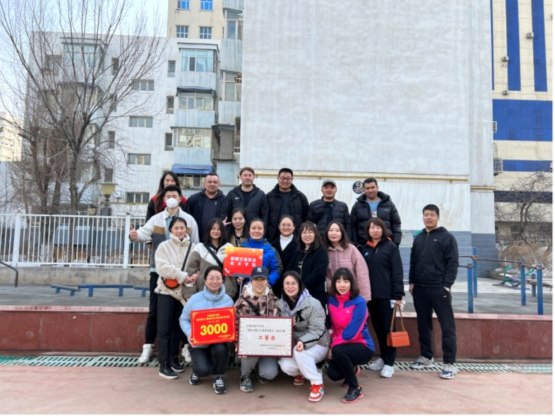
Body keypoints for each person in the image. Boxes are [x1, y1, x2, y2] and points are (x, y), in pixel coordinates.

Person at [131, 185, 199, 365]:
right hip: (162, 276)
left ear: (180, 198)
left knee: (183, 314)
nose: (171, 199)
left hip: (185, 278)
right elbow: (143, 233)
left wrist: (193, 274)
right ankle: (153, 350)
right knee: (158, 314)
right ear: (163, 198)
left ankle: (184, 349)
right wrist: (135, 235)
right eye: (168, 196)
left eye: (174, 195)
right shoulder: (156, 219)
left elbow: (196, 248)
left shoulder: (189, 220)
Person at [409, 204, 459, 379]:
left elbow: (453, 263)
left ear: (438, 217)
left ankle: (449, 363)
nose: (428, 218)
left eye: (432, 215)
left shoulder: (447, 238)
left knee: (447, 327)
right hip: (420, 288)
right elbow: (413, 261)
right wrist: (412, 282)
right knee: (423, 325)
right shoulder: (419, 238)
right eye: (426, 215)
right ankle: (426, 357)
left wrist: (447, 285)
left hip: (439, 289)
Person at [360, 218, 405, 378]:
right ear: (368, 230)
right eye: (372, 227)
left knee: (388, 329)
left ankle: (389, 363)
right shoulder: (364, 248)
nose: (375, 230)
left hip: (387, 296)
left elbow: (397, 271)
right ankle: (383, 357)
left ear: (383, 229)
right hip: (371, 296)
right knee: (378, 329)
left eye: (378, 227)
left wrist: (398, 295)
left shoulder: (390, 247)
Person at [277, 271, 330, 403]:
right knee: (285, 365)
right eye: (287, 283)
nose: (290, 286)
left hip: (319, 343)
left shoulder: (313, 303)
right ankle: (302, 373)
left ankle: (317, 384)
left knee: (299, 352)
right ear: (282, 286)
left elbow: (317, 330)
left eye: (293, 283)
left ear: (300, 285)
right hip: (297, 344)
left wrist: (303, 341)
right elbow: (278, 329)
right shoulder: (280, 305)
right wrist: (288, 326)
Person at [180, 266, 234, 394]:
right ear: (205, 280)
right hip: (199, 343)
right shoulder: (195, 299)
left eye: (218, 278)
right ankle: (197, 371)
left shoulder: (228, 301)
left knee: (221, 349)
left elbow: (232, 323)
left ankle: (219, 377)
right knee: (203, 370)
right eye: (211, 278)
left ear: (223, 280)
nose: (215, 281)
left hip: (218, 342)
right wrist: (190, 333)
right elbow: (183, 319)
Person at [154, 217, 196, 380]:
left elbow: (197, 266)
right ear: (170, 229)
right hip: (166, 291)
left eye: (182, 228)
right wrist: (182, 276)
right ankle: (164, 365)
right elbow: (161, 267)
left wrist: (195, 276)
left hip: (184, 294)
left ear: (186, 229)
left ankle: (173, 359)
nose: (179, 231)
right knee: (164, 328)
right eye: (176, 228)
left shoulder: (193, 247)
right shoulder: (163, 246)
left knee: (178, 328)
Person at [327, 268, 375, 404]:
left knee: (337, 351)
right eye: (338, 281)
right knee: (333, 374)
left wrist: (333, 347)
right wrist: (333, 340)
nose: (342, 285)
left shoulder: (359, 302)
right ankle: (353, 368)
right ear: (334, 283)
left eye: (346, 281)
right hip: (342, 345)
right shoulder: (331, 301)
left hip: (362, 346)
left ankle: (355, 388)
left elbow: (351, 333)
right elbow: (333, 327)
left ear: (351, 283)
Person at [234, 266, 280, 393]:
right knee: (250, 349)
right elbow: (235, 326)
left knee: (269, 373)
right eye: (256, 279)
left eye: (262, 279)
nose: (259, 283)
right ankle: (244, 375)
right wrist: (238, 343)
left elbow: (280, 326)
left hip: (267, 346)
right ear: (251, 281)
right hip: (249, 347)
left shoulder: (275, 301)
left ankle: (257, 369)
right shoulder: (241, 302)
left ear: (267, 281)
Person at [186, 218, 235, 298]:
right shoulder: (199, 247)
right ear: (208, 230)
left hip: (226, 292)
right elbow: (190, 271)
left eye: (219, 229)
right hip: (203, 291)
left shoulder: (230, 248)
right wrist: (189, 294)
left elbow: (234, 271)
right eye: (213, 228)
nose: (216, 231)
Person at [324, 220, 371, 302]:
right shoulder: (323, 251)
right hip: (332, 298)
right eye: (331, 230)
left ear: (342, 233)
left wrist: (365, 297)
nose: (334, 233)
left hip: (352, 297)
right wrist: (332, 287)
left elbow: (362, 273)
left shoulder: (351, 249)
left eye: (337, 231)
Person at [350, 178, 402, 247]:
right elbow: (352, 226)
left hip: (386, 244)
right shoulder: (357, 206)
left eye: (372, 187)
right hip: (364, 245)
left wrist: (395, 243)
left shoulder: (389, 204)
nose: (370, 190)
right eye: (367, 188)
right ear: (364, 190)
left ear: (377, 188)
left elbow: (396, 224)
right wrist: (356, 244)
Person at [287, 222, 329, 308]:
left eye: (310, 232)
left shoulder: (321, 251)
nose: (307, 235)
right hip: (296, 294)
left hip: (314, 294)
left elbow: (318, 272)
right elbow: (290, 268)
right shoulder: (298, 251)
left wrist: (301, 286)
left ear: (315, 234)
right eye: (304, 232)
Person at [265, 168, 309, 241]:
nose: (285, 181)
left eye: (288, 178)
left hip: (295, 237)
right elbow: (265, 217)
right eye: (282, 178)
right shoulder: (269, 197)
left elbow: (307, 217)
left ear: (292, 179)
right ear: (278, 178)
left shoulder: (300, 197)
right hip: (273, 237)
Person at [240, 219, 282, 290]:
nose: (256, 231)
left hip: (265, 289)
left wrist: (268, 281)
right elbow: (235, 269)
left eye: (259, 228)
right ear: (249, 231)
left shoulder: (271, 250)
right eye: (253, 228)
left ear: (263, 231)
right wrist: (238, 278)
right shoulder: (241, 249)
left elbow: (277, 269)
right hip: (246, 288)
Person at [185, 173, 226, 241]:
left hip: (217, 240)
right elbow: (186, 219)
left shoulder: (225, 201)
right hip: (197, 238)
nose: (212, 184)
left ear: (219, 184)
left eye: (215, 182)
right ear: (204, 183)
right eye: (209, 182)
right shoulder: (193, 199)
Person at [270, 215, 298, 298]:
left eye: (289, 225)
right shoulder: (272, 244)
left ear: (294, 227)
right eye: (283, 225)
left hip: (292, 285)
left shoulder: (299, 245)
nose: (286, 227)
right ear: (279, 226)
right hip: (275, 285)